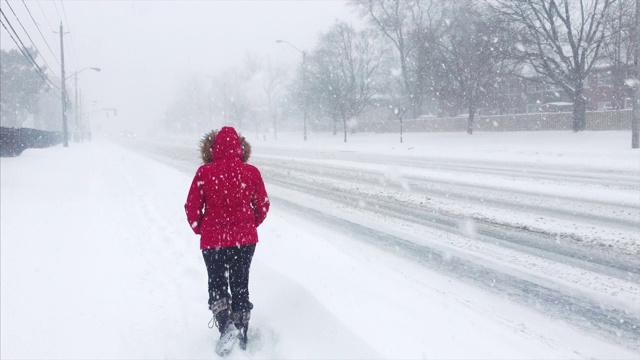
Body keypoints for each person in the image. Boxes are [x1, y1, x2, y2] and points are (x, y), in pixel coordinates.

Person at [184, 126, 270, 350]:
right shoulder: (251, 172)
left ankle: (225, 326)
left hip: (214, 241)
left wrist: (202, 228)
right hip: (245, 240)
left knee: (217, 283)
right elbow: (262, 205)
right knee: (240, 282)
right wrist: (249, 225)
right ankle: (241, 327)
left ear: (212, 148)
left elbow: (192, 207)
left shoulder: (204, 173)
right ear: (241, 148)